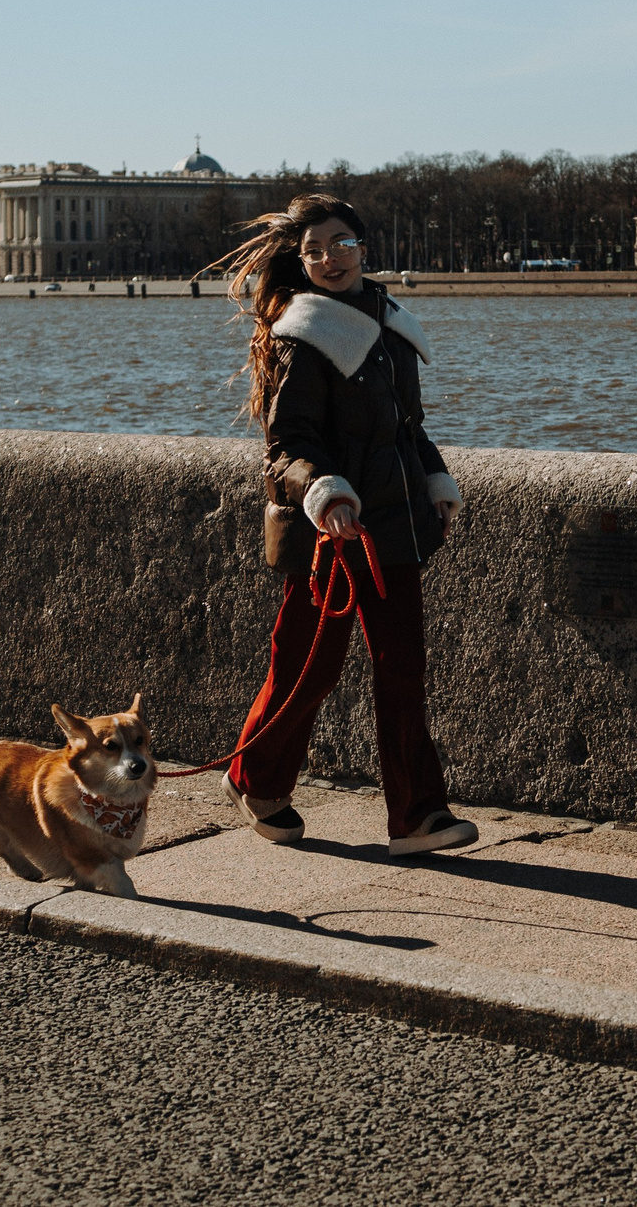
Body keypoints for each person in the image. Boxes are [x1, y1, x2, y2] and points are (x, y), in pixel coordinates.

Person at [212, 194, 476, 856]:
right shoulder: (303, 334)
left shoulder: (388, 323)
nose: (329, 259)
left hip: (395, 526)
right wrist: (326, 494)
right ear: (300, 263)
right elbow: (286, 445)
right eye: (314, 250)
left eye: (340, 243)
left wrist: (435, 481)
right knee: (310, 668)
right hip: (330, 535)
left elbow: (405, 429)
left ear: (364, 247)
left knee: (402, 669)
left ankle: (418, 818)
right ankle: (255, 777)